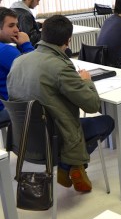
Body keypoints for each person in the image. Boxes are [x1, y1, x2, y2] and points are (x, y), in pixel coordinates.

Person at [7, 15, 114, 193]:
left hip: (24, 140)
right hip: (53, 141)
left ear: (42, 34)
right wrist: (86, 81)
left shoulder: (18, 61)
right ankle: (69, 165)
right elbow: (92, 105)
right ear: (68, 41)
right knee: (107, 121)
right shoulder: (61, 66)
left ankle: (73, 165)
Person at [0, 7, 34, 123]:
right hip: (6, 108)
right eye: (11, 26)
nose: (17, 30)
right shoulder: (5, 50)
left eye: (16, 25)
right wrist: (26, 44)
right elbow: (36, 70)